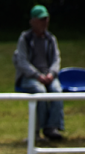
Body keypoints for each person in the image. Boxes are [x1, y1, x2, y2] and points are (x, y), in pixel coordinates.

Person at [13, 4, 65, 141]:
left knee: (57, 91)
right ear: (32, 21)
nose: (45, 22)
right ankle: (37, 131)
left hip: (48, 76)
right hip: (29, 77)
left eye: (46, 19)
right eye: (41, 19)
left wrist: (51, 74)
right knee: (40, 92)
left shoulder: (50, 39)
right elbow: (22, 62)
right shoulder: (25, 38)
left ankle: (52, 128)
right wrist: (37, 76)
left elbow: (56, 59)